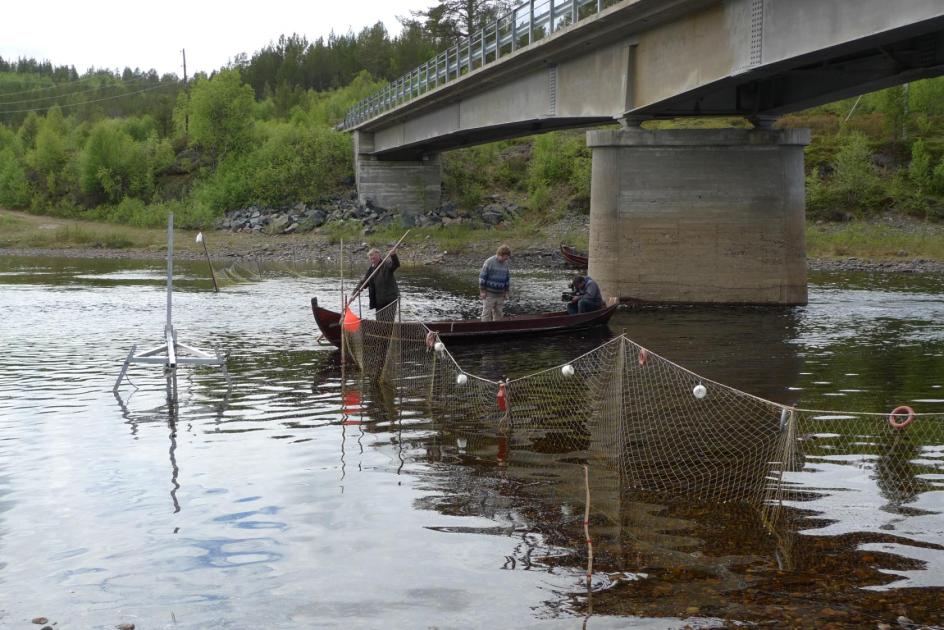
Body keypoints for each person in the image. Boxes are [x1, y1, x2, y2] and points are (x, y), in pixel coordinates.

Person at [357, 246, 400, 322]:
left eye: (374, 257)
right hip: (378, 301)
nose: (372, 259)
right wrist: (356, 291)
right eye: (371, 257)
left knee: (388, 321)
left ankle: (389, 333)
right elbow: (364, 282)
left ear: (379, 256)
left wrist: (393, 255)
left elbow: (395, 265)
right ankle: (382, 332)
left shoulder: (386, 264)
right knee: (379, 322)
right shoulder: (371, 269)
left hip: (390, 300)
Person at [479, 244, 511, 321]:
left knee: (499, 313)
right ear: (500, 254)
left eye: (507, 257)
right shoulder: (489, 262)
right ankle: (485, 330)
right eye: (505, 257)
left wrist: (506, 292)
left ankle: (496, 330)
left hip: (500, 294)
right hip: (489, 294)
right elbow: (482, 277)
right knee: (486, 313)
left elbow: (507, 279)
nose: (506, 259)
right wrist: (482, 291)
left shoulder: (505, 264)